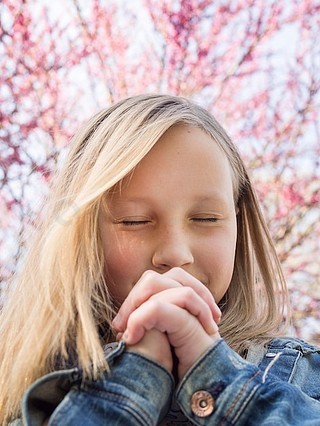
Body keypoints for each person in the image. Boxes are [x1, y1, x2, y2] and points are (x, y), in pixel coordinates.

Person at [0, 94, 319, 425]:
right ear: (83, 236)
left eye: (207, 218)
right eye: (135, 220)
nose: (176, 253)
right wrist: (138, 371)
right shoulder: (26, 395)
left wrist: (215, 372)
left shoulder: (304, 377)